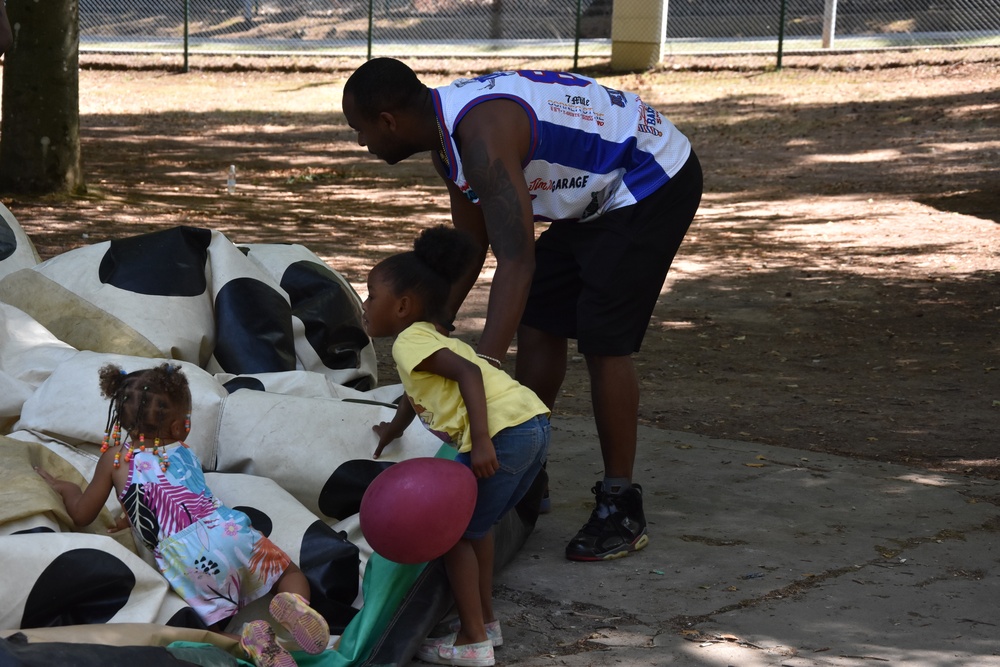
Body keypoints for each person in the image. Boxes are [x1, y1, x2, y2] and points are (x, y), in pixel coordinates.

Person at [342, 59, 703, 562]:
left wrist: (480, 370)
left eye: (359, 131)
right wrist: (435, 326)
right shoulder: (450, 149)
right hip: (594, 193)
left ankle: (620, 502)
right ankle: (529, 462)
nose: (361, 143)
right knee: (537, 320)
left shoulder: (481, 139)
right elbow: (470, 246)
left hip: (648, 179)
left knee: (603, 339)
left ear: (388, 121)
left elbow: (516, 260)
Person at [35, 363, 330, 667]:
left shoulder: (115, 459)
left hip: (186, 556)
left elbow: (84, 514)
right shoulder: (184, 450)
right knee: (288, 572)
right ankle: (296, 604)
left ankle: (249, 641)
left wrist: (67, 488)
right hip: (229, 530)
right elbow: (172, 494)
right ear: (177, 428)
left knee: (204, 628)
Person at [365, 225, 550, 667]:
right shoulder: (430, 336)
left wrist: (482, 441)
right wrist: (394, 427)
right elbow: (419, 391)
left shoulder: (410, 341)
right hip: (532, 423)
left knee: (454, 537)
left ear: (403, 306)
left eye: (372, 296)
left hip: (504, 433)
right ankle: (484, 623)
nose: (365, 305)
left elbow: (469, 376)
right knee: (476, 528)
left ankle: (472, 641)